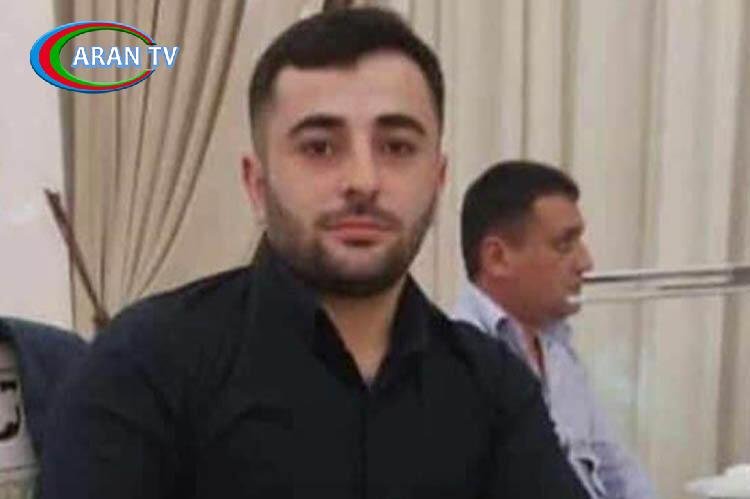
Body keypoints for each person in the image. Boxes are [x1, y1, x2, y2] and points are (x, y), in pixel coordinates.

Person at [40, 9, 589, 499]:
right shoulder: (144, 366)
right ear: (256, 184)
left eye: (397, 146)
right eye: (320, 147)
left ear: (438, 179)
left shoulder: (493, 387)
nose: (363, 180)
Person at [454, 160, 657, 499]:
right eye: (565, 245)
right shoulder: (454, 365)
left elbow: (617, 469)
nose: (585, 262)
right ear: (497, 258)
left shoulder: (558, 350)